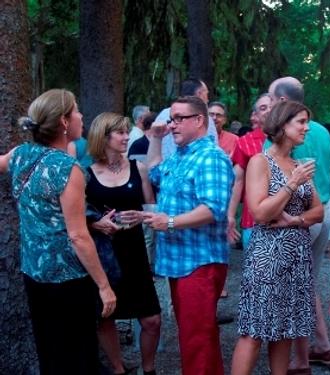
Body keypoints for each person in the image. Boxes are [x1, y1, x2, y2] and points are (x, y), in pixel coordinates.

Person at [0, 89, 116, 375]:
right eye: (76, 111)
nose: (81, 116)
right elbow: (77, 236)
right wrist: (104, 286)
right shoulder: (68, 169)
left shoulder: (19, 155)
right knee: (78, 355)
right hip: (68, 279)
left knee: (50, 352)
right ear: (64, 122)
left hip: (34, 273)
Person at [231, 100, 324, 375]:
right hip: (268, 257)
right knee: (254, 331)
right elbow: (260, 213)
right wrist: (292, 184)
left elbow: (318, 211)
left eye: (307, 122)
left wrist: (295, 220)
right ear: (283, 125)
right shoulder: (261, 161)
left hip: (297, 255)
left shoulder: (298, 163)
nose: (307, 128)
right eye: (301, 122)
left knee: (286, 329)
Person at [144, 96, 234, 375]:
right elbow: (155, 172)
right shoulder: (182, 155)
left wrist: (169, 221)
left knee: (197, 339)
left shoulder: (211, 157)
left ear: (199, 121)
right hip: (181, 263)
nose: (172, 125)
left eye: (179, 118)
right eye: (171, 118)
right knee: (197, 335)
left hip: (200, 263)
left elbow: (213, 209)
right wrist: (156, 139)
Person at [266, 77, 330, 373]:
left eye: (271, 100)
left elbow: (270, 176)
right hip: (322, 211)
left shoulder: (282, 131)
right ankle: (322, 346)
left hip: (296, 216)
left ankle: (301, 358)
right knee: (307, 283)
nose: (268, 106)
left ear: (282, 101)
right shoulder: (321, 131)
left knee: (294, 287)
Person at [86, 113, 161, 375]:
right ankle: (118, 369)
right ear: (103, 137)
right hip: (105, 254)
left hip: (135, 250)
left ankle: (148, 369)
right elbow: (76, 216)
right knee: (106, 317)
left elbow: (152, 209)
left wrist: (143, 215)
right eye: (120, 132)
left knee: (152, 319)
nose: (127, 136)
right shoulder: (87, 174)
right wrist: (95, 224)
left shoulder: (137, 167)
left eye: (127, 131)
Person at [227, 94, 272, 249]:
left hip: (289, 220)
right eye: (263, 108)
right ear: (256, 115)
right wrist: (231, 215)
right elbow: (237, 181)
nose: (268, 110)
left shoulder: (293, 138)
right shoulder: (245, 142)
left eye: (272, 105)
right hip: (254, 220)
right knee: (256, 270)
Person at [156, 78, 218, 159]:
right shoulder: (204, 118)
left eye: (179, 118)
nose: (172, 126)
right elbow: (214, 146)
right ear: (199, 94)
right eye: (206, 94)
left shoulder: (163, 114)